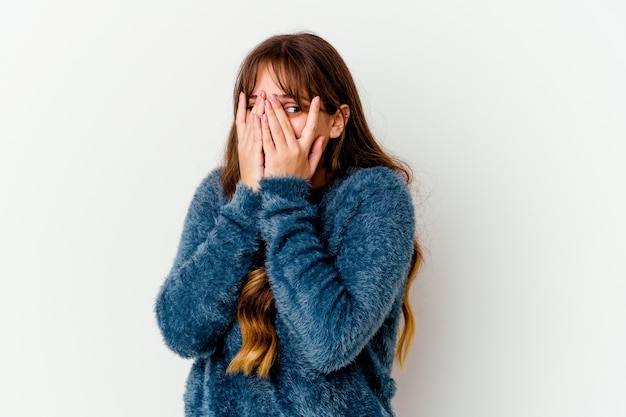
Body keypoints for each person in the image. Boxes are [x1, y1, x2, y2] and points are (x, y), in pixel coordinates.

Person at [155, 31, 423, 417]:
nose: (270, 123)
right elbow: (182, 332)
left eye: (292, 108)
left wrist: (285, 198)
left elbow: (329, 342)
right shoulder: (220, 195)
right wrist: (246, 203)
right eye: (256, 106)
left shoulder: (375, 196)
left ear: (336, 121)